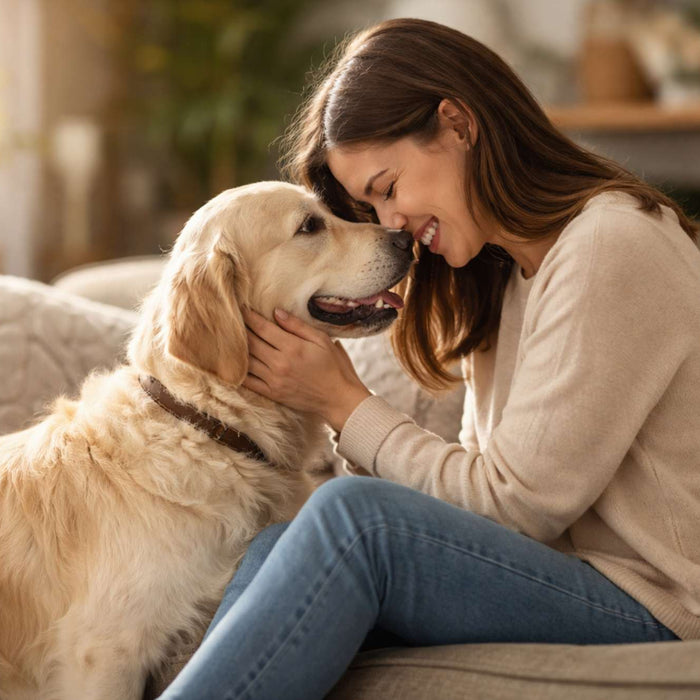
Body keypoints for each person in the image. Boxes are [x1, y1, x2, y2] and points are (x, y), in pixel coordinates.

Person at [160, 17, 700, 700]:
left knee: (357, 522)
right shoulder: (507, 277)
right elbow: (477, 503)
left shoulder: (610, 245)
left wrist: (344, 404)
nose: (390, 225)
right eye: (369, 204)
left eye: (387, 187)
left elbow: (516, 508)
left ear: (456, 124)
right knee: (278, 549)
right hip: (573, 584)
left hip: (664, 611)